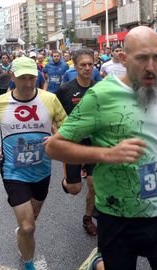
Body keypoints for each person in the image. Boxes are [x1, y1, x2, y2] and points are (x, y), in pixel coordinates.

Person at [45, 26, 157, 270]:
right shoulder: (101, 95)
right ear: (124, 60)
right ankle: (99, 261)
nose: (151, 66)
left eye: (156, 57)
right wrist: (106, 154)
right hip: (118, 218)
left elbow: (154, 130)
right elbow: (53, 147)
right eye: (142, 58)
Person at [0, 56, 66, 270]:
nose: (28, 83)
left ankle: (22, 233)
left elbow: (66, 125)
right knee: (28, 227)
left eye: (32, 78)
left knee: (32, 219)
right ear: (12, 76)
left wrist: (58, 136)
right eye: (23, 78)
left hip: (42, 170)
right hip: (13, 171)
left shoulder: (49, 99)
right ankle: (29, 264)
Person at [56, 48, 98, 236]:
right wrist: (57, 136)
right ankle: (66, 182)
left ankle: (88, 218)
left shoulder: (100, 88)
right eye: (83, 65)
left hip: (94, 143)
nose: (87, 68)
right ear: (75, 65)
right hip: (72, 145)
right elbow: (54, 115)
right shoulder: (65, 90)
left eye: (90, 64)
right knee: (75, 189)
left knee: (93, 184)